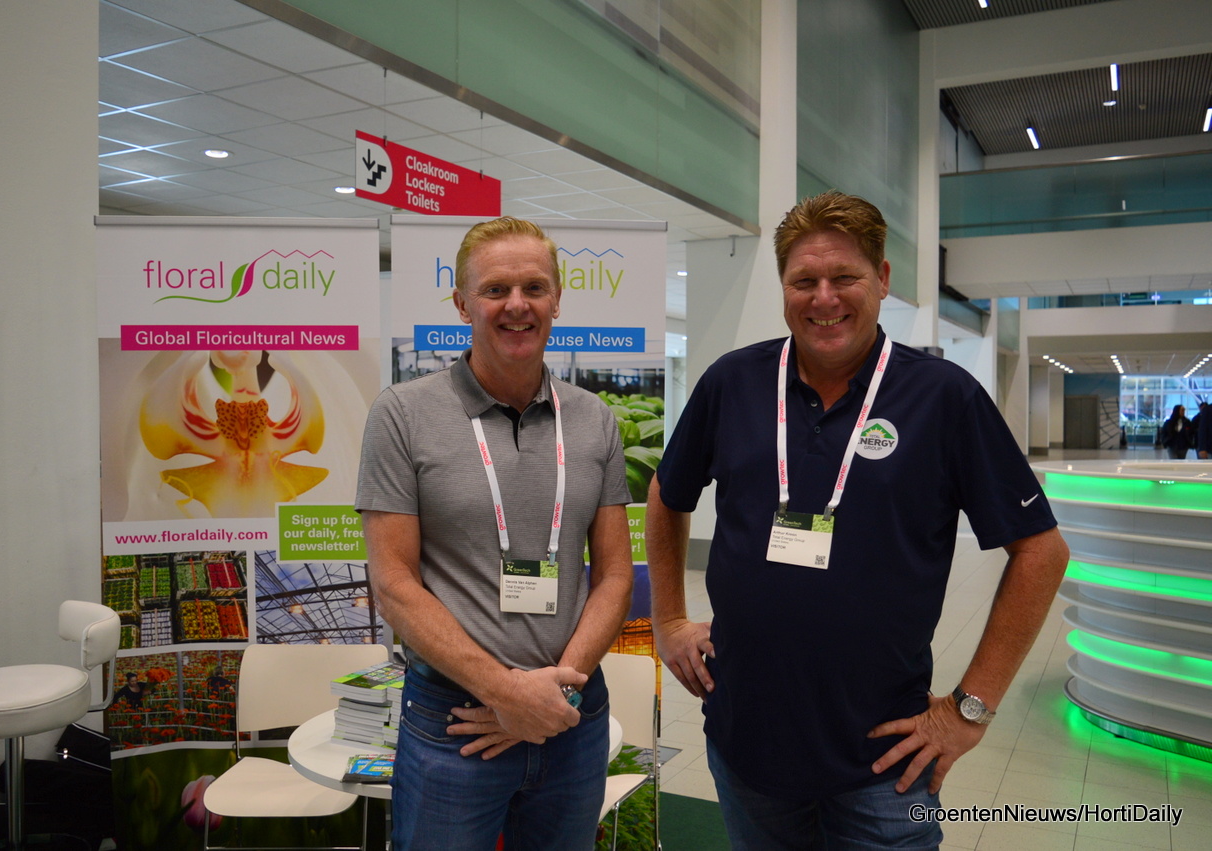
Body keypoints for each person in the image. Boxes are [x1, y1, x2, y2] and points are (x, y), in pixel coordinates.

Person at [647, 190, 1070, 850]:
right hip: (746, 743)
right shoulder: (733, 382)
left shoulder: (943, 397)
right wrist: (669, 619)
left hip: (884, 762)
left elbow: (1041, 551)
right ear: (783, 286)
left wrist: (970, 708)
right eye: (804, 281)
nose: (824, 299)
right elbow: (666, 494)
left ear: (882, 279)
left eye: (844, 277)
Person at [356, 216, 634, 851]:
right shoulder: (402, 414)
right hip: (458, 721)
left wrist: (552, 694)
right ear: (462, 304)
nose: (517, 305)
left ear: (557, 299)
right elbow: (394, 584)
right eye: (495, 289)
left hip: (572, 716)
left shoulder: (594, 419)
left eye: (534, 287)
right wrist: (506, 693)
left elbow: (616, 574)